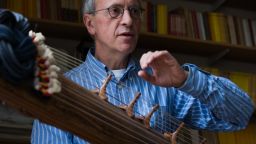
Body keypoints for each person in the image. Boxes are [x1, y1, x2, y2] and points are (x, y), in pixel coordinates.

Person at [31, 0, 255, 143]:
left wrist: (186, 80)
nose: (128, 20)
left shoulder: (165, 84)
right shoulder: (59, 90)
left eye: (134, 11)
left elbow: (241, 115)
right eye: (115, 11)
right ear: (90, 24)